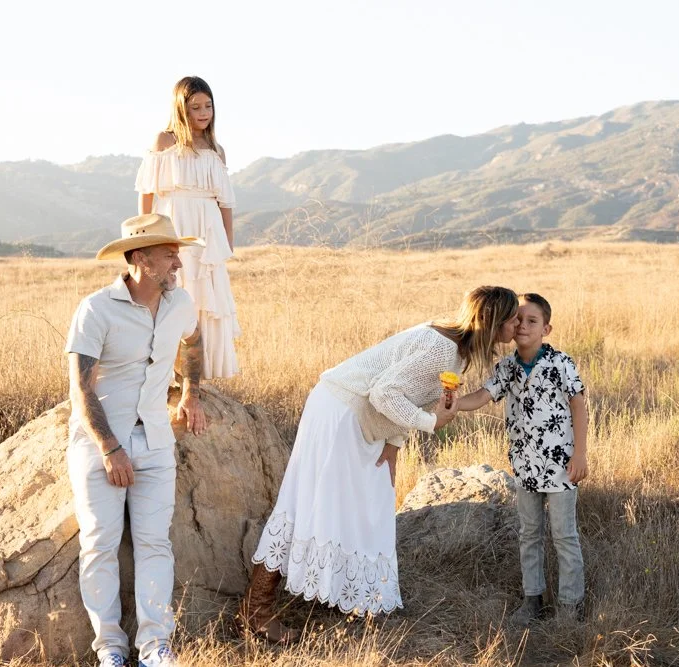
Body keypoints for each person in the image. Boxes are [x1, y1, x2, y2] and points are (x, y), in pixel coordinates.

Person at [239, 286, 521, 643]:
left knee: (364, 505)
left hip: (357, 417)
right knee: (306, 504)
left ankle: (345, 595)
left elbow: (409, 392)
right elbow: (384, 392)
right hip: (340, 411)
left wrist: (394, 443)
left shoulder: (456, 349)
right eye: (512, 319)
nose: (516, 325)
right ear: (493, 321)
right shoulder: (442, 348)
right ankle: (256, 612)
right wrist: (430, 422)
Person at [66, 213, 208, 667]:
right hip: (100, 445)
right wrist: (110, 448)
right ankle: (110, 648)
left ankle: (155, 647)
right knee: (99, 543)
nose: (178, 264)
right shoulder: (96, 309)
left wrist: (191, 390)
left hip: (157, 442)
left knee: (155, 544)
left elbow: (194, 341)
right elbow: (81, 389)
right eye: (169, 255)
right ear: (140, 258)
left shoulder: (180, 303)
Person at [457, 293, 589, 625]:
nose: (523, 326)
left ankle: (570, 606)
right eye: (518, 320)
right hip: (525, 466)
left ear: (546, 328)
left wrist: (580, 454)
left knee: (564, 536)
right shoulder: (507, 368)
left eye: (532, 321)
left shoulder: (560, 363)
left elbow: (578, 406)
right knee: (529, 534)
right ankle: (533, 601)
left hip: (561, 466)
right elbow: (482, 396)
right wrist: (454, 403)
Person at [135, 75, 240, 379]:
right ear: (181, 108)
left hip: (208, 232)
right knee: (172, 290)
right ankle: (167, 372)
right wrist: (144, 238)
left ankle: (196, 376)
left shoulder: (216, 149)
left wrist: (227, 242)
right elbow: (147, 193)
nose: (204, 113)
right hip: (174, 223)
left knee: (205, 299)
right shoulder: (164, 141)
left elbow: (225, 203)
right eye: (196, 107)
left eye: (208, 106)